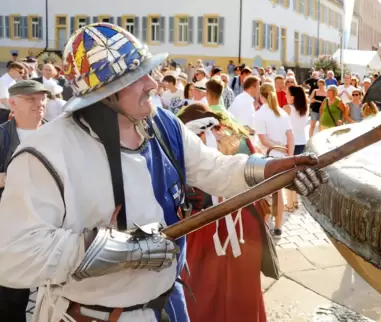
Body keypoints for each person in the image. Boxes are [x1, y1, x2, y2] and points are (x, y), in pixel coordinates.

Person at [0, 23, 326, 322]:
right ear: (105, 93)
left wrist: (272, 169)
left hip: (170, 306)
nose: (152, 84)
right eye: (137, 77)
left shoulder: (163, 124)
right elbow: (13, 254)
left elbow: (213, 169)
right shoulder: (44, 154)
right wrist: (115, 247)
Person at [178, 104, 268, 322]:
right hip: (237, 227)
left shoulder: (185, 149)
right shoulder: (243, 140)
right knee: (228, 294)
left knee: (205, 295)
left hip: (208, 230)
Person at [0, 80, 50, 322]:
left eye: (42, 99)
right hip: (13, 230)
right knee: (12, 299)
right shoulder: (1, 136)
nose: (39, 104)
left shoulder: (59, 135)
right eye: (31, 99)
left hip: (53, 229)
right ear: (12, 103)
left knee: (53, 295)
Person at [255, 83, 294, 238]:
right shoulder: (282, 113)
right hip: (282, 158)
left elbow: (263, 141)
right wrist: (289, 156)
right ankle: (278, 227)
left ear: (261, 95)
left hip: (267, 159)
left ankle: (265, 228)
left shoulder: (260, 113)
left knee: (265, 195)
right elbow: (291, 137)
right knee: (278, 194)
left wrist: (278, 149)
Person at [283, 85, 309, 212]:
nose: (285, 96)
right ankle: (295, 202)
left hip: (291, 143)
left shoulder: (287, 108)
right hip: (302, 142)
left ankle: (290, 204)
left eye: (287, 94)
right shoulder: (304, 108)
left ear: (292, 97)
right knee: (297, 174)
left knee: (288, 176)